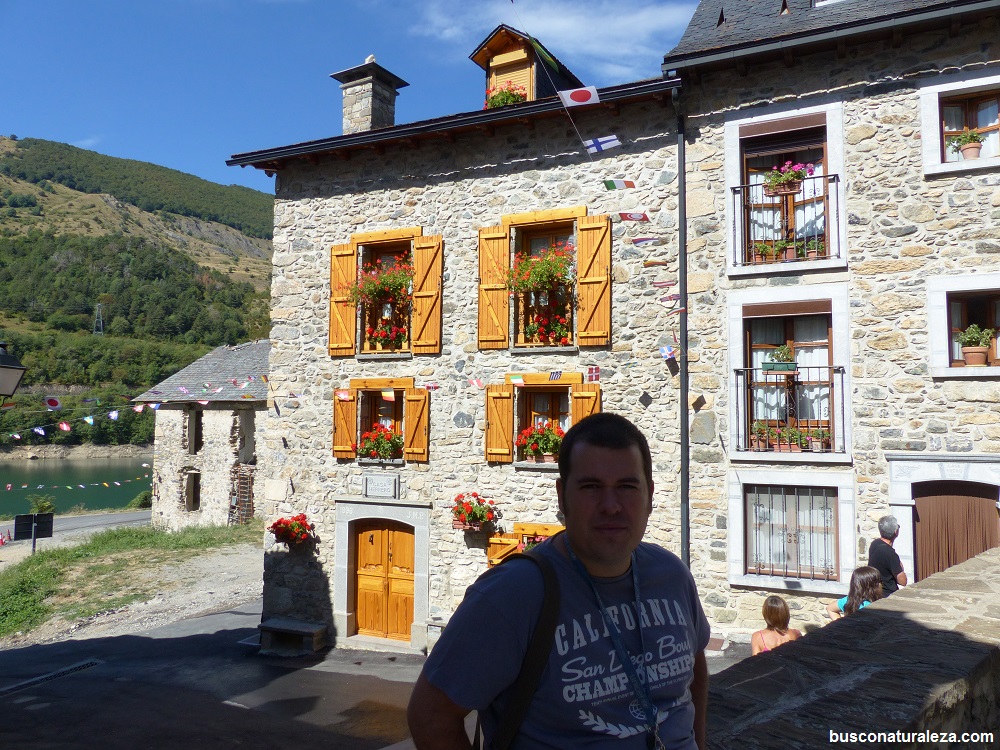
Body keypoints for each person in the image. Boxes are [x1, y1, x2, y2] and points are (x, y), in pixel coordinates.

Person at [407, 413, 710, 750]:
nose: (611, 506)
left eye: (627, 486)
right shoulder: (512, 594)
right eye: (591, 487)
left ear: (649, 495)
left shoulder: (672, 575)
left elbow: (694, 669)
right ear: (562, 496)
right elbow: (430, 715)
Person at [867, 515, 907, 596]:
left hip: (874, 592)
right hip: (887, 595)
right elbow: (903, 581)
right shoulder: (889, 553)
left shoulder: (875, 543)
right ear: (896, 531)